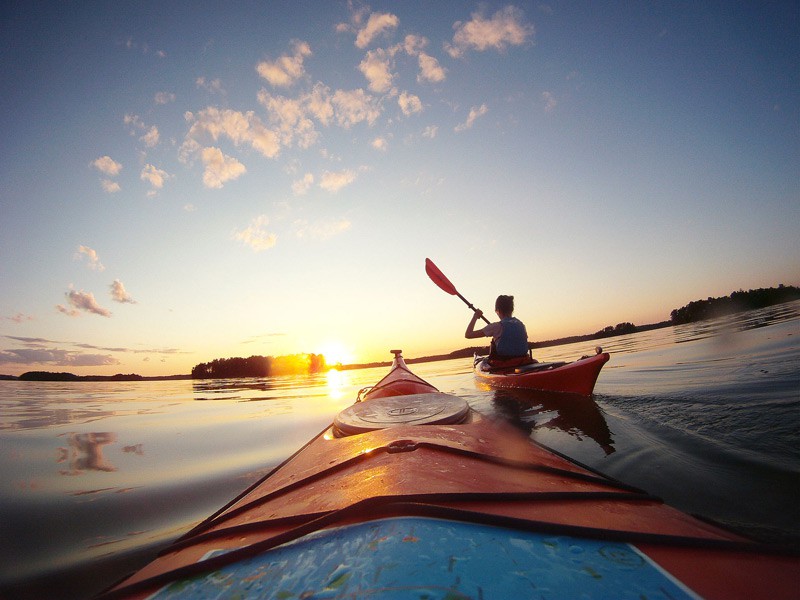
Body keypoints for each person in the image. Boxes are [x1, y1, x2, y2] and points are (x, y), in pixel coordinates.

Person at [465, 295, 531, 363]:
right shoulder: (521, 324)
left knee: (493, 342)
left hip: (504, 363)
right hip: (524, 360)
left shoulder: (496, 326)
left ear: (497, 310)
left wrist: (475, 317)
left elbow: (468, 334)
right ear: (512, 309)